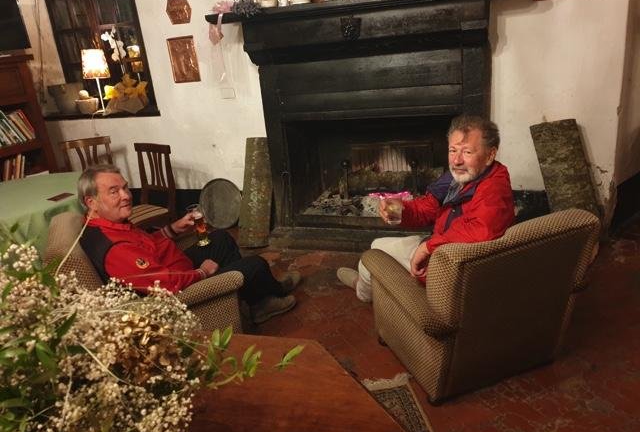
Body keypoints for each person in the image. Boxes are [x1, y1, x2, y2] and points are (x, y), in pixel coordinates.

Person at [77, 164, 300, 324]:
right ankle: (266, 296)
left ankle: (252, 299)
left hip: (176, 267)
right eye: (114, 192)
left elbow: (146, 245)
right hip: (182, 289)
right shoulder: (114, 249)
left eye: (125, 188)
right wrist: (202, 273)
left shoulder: (108, 224)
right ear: (91, 202)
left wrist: (173, 229)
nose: (126, 195)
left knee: (221, 239)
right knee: (255, 264)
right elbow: (165, 285)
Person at [337, 114, 515, 302]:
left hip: (450, 265)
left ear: (490, 155)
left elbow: (481, 230)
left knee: (371, 256)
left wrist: (427, 248)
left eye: (467, 152)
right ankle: (376, 289)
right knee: (376, 245)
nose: (456, 161)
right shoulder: (458, 177)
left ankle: (363, 291)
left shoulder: (494, 187)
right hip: (439, 244)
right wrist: (400, 209)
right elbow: (428, 207)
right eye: (452, 150)